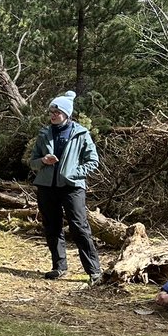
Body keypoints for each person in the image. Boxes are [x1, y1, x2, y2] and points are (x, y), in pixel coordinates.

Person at [29, 90, 102, 284]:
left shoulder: (81, 133)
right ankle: (59, 267)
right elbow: (32, 162)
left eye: (57, 112)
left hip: (72, 187)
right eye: (51, 112)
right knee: (52, 227)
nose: (53, 115)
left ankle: (94, 271)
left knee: (79, 227)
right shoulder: (44, 133)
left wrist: (73, 173)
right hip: (46, 186)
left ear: (67, 114)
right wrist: (43, 161)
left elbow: (93, 161)